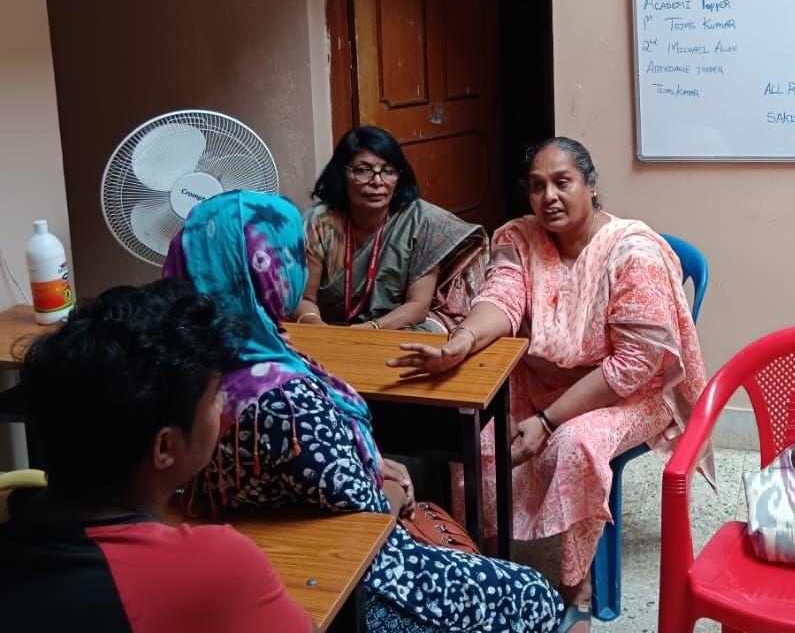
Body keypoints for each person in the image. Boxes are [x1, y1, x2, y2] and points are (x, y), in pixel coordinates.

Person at [163, 189, 562, 633]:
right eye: (293, 254)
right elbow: (371, 516)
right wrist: (393, 488)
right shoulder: (284, 399)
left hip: (265, 536)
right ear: (268, 271)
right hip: (354, 583)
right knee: (533, 594)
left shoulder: (183, 368)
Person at [388, 137, 711, 633]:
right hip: (540, 379)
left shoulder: (633, 253)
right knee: (475, 435)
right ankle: (487, 561)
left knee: (575, 444)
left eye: (563, 183)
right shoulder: (519, 238)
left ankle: (575, 586)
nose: (549, 197)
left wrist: (546, 420)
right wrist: (464, 339)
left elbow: (631, 367)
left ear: (591, 185)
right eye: (537, 187)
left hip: (629, 394)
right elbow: (503, 295)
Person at [0, 280, 315, 632]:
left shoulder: (15, 518)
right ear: (165, 447)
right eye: (213, 398)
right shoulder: (218, 566)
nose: (224, 408)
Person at [294, 125, 488, 332]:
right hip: (330, 329)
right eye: (363, 170)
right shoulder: (321, 222)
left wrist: (371, 329)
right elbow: (304, 298)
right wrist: (319, 329)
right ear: (342, 174)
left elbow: (417, 306)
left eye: (388, 171)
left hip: (394, 328)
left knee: (427, 337)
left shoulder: (420, 221)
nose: (377, 182)